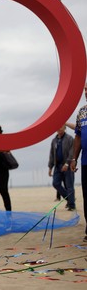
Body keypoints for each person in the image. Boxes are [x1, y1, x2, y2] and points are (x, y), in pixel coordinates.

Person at [70, 82, 87, 242]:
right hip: (85, 162)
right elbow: (78, 136)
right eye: (85, 89)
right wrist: (74, 158)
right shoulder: (82, 112)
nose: (86, 92)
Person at [48, 125, 75, 211]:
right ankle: (69, 199)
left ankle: (71, 205)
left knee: (69, 186)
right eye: (58, 127)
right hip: (57, 166)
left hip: (67, 165)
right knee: (55, 183)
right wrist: (50, 167)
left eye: (61, 127)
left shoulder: (70, 138)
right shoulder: (54, 140)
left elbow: (72, 152)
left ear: (65, 128)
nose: (59, 128)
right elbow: (52, 154)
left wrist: (67, 164)